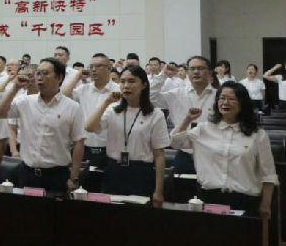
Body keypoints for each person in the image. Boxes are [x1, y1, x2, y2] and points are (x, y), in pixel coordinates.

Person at [170, 81, 278, 217]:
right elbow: (175, 142)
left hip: (245, 199)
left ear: (242, 103)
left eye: (231, 99)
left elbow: (268, 174)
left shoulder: (258, 135)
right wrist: (187, 120)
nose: (225, 103)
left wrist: (266, 204)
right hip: (209, 197)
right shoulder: (204, 129)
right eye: (222, 98)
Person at [0, 58, 85, 193]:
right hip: (27, 172)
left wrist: (74, 178)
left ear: (59, 77)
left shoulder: (72, 107)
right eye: (38, 73)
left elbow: (79, 142)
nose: (39, 77)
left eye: (45, 73)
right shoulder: (24, 101)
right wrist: (15, 88)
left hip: (57, 175)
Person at [84, 66, 168, 204]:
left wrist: (158, 191)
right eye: (122, 81)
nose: (126, 85)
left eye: (131, 81)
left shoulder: (155, 114)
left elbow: (159, 155)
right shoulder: (112, 110)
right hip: (113, 170)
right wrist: (106, 102)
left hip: (141, 172)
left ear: (144, 85)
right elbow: (89, 127)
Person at [150, 56, 216, 174]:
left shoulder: (219, 96)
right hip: (184, 154)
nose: (196, 72)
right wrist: (163, 74)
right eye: (192, 69)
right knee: (182, 185)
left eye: (200, 68)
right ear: (187, 72)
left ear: (210, 72)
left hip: (212, 154)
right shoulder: (176, 94)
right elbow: (151, 97)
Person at [61, 53, 120, 170]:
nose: (93, 69)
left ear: (109, 68)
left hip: (111, 148)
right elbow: (63, 97)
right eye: (91, 66)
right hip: (85, 147)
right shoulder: (84, 89)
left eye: (98, 66)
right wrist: (77, 77)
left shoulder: (118, 90)